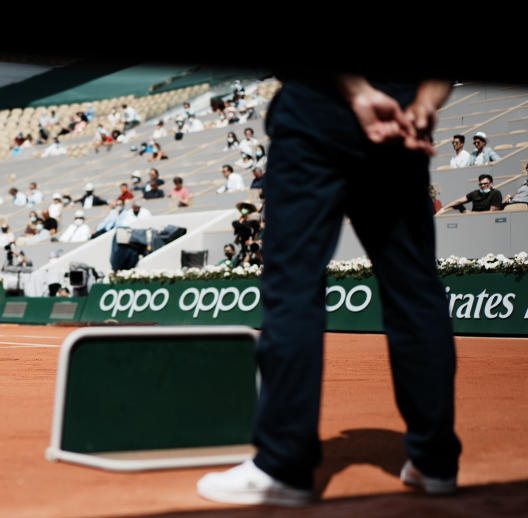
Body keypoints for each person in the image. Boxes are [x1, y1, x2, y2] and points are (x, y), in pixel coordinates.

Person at [197, 76, 461, 506]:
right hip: (401, 119)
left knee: (294, 288)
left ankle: (283, 466)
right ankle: (435, 462)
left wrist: (357, 92)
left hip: (317, 112)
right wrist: (424, 102)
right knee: (415, 290)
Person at [436, 174, 504, 214]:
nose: (483, 186)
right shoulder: (475, 193)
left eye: (485, 184)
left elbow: (492, 213)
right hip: (472, 219)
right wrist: (442, 209)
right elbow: (458, 201)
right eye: (480, 184)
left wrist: (473, 213)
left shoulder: (496, 193)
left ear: (491, 184)